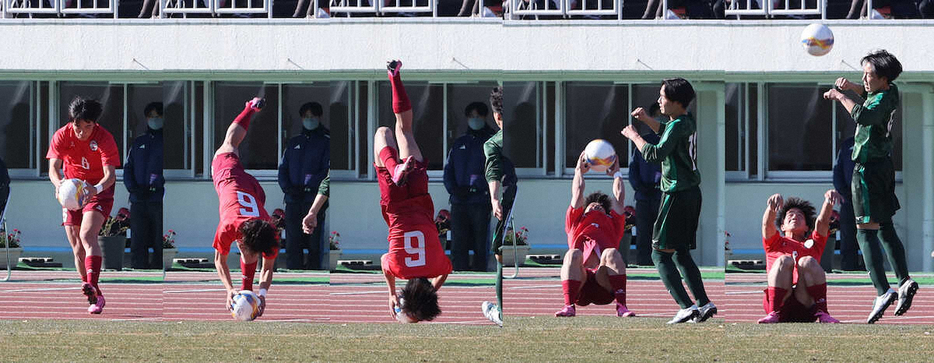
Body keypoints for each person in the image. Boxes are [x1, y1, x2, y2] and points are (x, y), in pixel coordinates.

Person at [823, 49, 918, 324]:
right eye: (863, 73)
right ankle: (903, 281)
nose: (864, 79)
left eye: (869, 75)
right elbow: (870, 98)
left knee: (864, 231)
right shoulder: (891, 91)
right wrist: (854, 87)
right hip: (884, 167)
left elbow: (863, 116)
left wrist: (840, 95)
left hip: (866, 171)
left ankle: (881, 291)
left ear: (884, 79)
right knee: (885, 226)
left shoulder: (877, 102)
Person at [622, 78, 716, 324]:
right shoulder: (686, 121)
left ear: (675, 102)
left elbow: (655, 153)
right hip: (692, 193)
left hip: (675, 193)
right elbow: (667, 133)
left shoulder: (676, 125)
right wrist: (647, 120)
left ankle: (686, 307)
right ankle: (704, 303)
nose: (659, 101)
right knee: (681, 253)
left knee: (659, 253)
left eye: (663, 97)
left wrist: (634, 135)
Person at [377, 60, 452, 323]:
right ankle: (393, 167)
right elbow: (385, 261)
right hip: (396, 205)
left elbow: (447, 270)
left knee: (404, 128)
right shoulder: (398, 269)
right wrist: (390, 293)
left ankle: (395, 77)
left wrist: (433, 288)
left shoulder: (437, 266)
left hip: (420, 197)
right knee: (382, 133)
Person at [46, 97, 120, 314]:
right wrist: (59, 184)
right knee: (77, 248)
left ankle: (92, 284)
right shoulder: (61, 135)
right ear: (72, 122)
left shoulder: (104, 138)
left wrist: (94, 189)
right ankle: (93, 291)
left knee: (88, 236)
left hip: (98, 192)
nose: (81, 132)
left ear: (94, 124)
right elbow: (53, 168)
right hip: (70, 194)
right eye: (78, 126)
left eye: (87, 127)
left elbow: (110, 175)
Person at [211, 97, 279, 318]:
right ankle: (249, 107)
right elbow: (219, 261)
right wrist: (229, 289)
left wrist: (262, 295)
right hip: (228, 175)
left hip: (254, 192)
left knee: (249, 255)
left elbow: (268, 267)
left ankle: (247, 290)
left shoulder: (270, 231)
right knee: (229, 144)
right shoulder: (228, 226)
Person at [554, 152, 635, 318]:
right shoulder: (576, 221)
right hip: (580, 283)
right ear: (584, 210)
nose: (596, 206)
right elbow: (577, 192)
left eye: (600, 206)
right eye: (592, 206)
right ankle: (568, 306)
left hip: (603, 283)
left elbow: (619, 198)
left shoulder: (612, 223)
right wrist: (578, 171)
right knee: (572, 254)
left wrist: (617, 173)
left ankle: (622, 306)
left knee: (610, 253)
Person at [758, 191, 842, 324]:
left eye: (800, 215)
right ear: (782, 226)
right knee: (784, 260)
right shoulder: (774, 243)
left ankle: (823, 313)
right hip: (781, 302)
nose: (795, 217)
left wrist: (828, 202)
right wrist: (771, 208)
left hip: (805, 304)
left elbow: (822, 222)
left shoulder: (814, 244)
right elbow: (767, 224)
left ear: (807, 227)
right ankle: (773, 313)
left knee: (807, 261)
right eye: (790, 215)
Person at [480, 87, 517, 326]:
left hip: (510, 196)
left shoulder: (493, 143)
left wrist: (494, 199)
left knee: (498, 250)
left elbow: (494, 172)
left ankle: (502, 312)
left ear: (497, 116)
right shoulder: (535, 134)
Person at [443, 101, 495, 272]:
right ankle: (460, 274)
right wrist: (454, 189)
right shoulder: (459, 143)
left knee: (481, 244)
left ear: (485, 117)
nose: (474, 120)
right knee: (458, 244)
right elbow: (448, 171)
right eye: (471, 116)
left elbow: (494, 171)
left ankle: (481, 275)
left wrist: (475, 187)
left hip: (480, 201)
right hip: (459, 202)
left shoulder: (492, 141)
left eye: (477, 116)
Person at [278, 102, 330, 270]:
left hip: (314, 200)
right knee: (293, 240)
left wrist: (309, 186)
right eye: (306, 117)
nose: (309, 120)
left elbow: (326, 172)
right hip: (293, 199)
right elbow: (283, 169)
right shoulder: (293, 142)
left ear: (319, 117)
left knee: (314, 241)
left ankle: (315, 271)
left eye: (312, 117)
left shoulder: (326, 142)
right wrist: (289, 188)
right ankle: (294, 269)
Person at [125, 102, 165, 270]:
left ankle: (158, 266)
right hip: (138, 199)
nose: (154, 120)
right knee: (138, 238)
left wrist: (155, 188)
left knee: (157, 238)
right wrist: (133, 188)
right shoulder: (139, 142)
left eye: (158, 116)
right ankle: (138, 266)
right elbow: (128, 168)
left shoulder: (168, 141)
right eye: (151, 117)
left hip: (157, 199)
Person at [628, 103, 663, 266]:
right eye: (656, 116)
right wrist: (640, 187)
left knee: (663, 236)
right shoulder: (642, 141)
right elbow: (633, 169)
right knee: (643, 235)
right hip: (644, 197)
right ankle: (644, 264)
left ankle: (664, 265)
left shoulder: (670, 139)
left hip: (663, 196)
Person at [832, 137, 861, 271]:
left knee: (870, 236)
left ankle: (872, 270)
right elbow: (837, 171)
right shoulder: (847, 144)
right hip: (849, 201)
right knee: (848, 237)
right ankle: (849, 268)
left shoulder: (879, 141)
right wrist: (844, 192)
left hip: (871, 200)